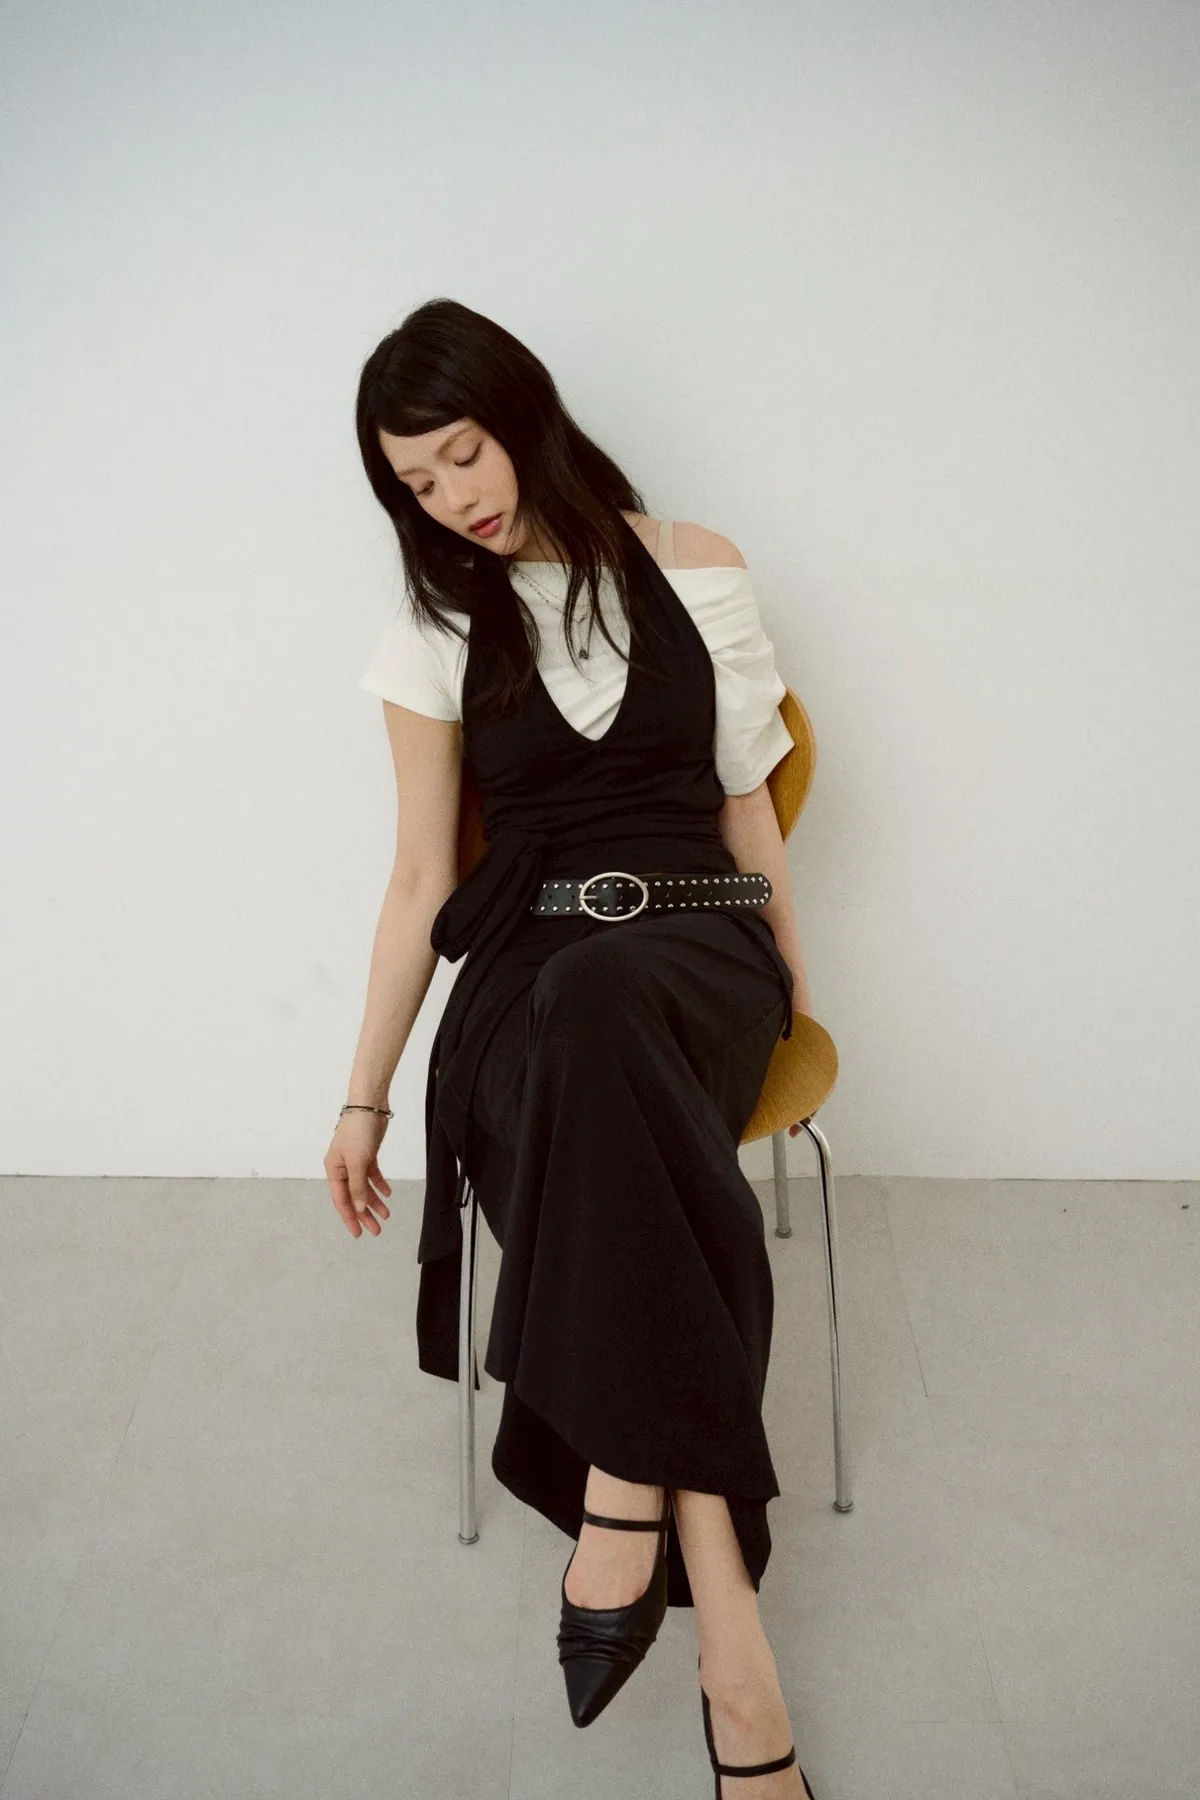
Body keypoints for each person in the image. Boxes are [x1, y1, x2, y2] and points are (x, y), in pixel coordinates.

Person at [324, 297, 819, 1798]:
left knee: (608, 1016)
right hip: (531, 976)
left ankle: (621, 1503)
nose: (451, 498)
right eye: (416, 483)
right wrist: (362, 1097)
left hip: (696, 950)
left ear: (522, 413)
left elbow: (745, 808)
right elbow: (422, 878)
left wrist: (792, 996)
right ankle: (737, 1662)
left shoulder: (697, 565)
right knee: (583, 1024)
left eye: (463, 455)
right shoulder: (432, 630)